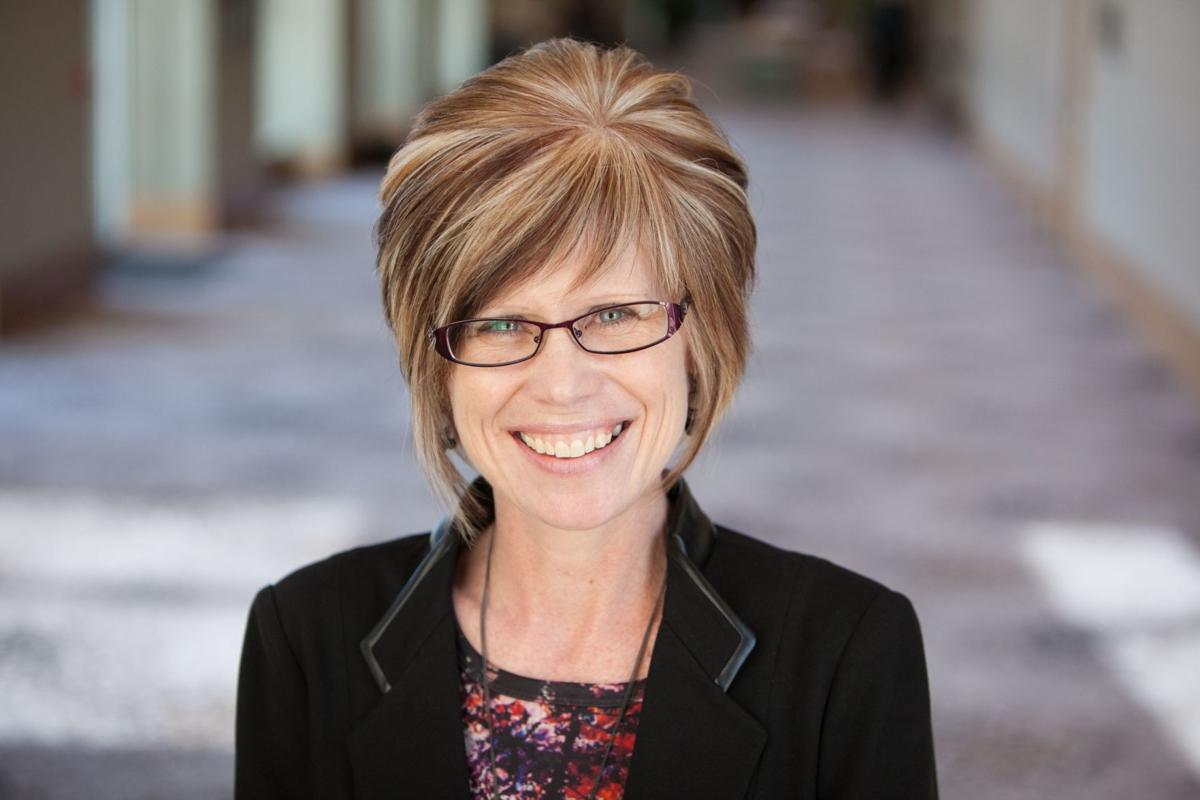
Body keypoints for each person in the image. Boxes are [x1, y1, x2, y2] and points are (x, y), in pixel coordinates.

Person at [235, 37, 938, 800]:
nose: (561, 385)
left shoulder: (848, 652)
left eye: (613, 314)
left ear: (702, 339)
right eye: (501, 324)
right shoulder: (305, 637)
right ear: (434, 362)